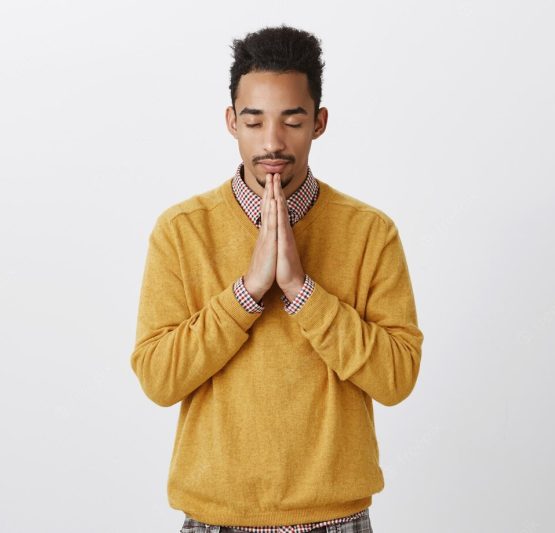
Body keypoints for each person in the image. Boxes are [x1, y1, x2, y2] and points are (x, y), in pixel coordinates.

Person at [131, 24, 424, 533]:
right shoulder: (181, 231)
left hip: (335, 521)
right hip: (214, 521)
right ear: (231, 122)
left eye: (292, 120)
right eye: (254, 121)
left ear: (319, 122)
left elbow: (397, 378)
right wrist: (246, 293)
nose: (272, 142)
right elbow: (158, 379)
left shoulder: (370, 232)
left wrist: (302, 292)